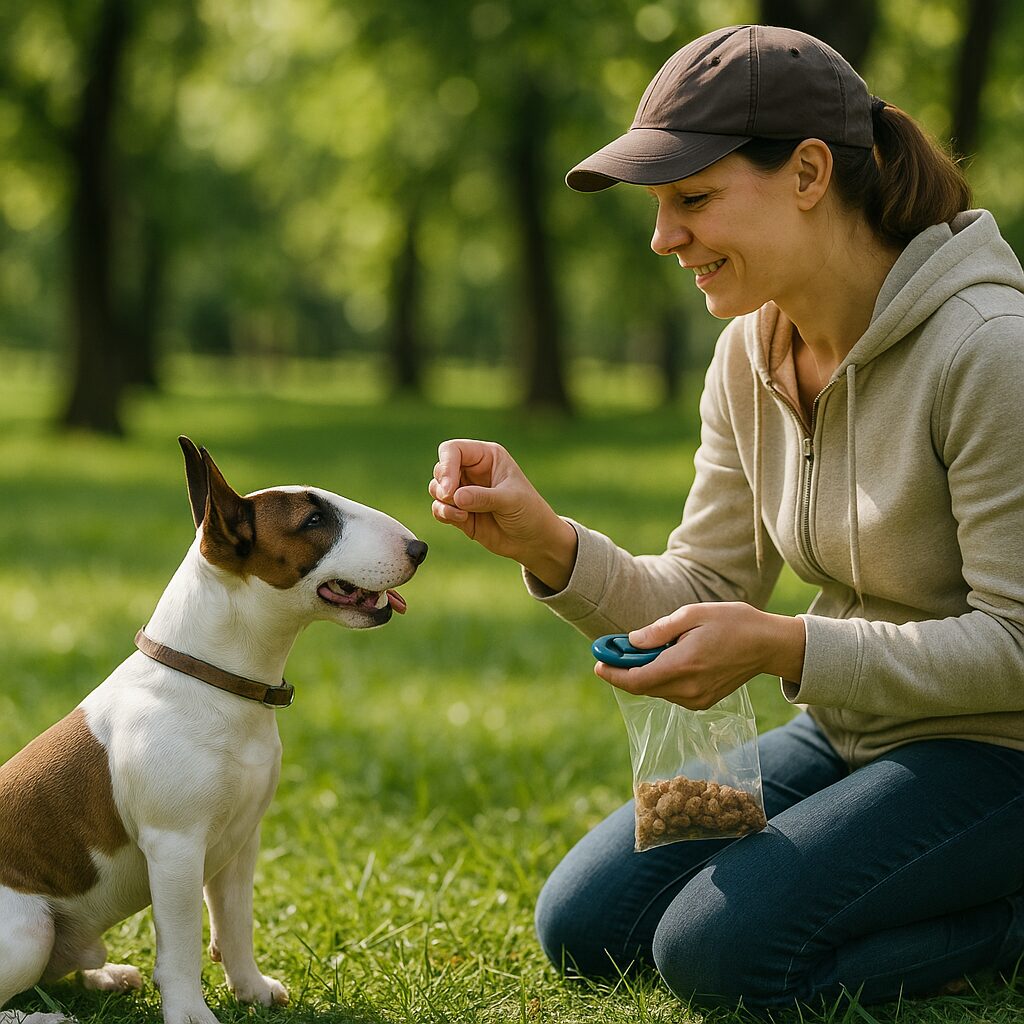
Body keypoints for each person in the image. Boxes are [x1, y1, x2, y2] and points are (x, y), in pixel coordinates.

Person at [428, 23, 1024, 1010]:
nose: (664, 239)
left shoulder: (988, 351)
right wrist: (547, 541)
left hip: (996, 757)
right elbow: (706, 587)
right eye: (660, 208)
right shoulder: (749, 349)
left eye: (692, 200)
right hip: (849, 731)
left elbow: (1015, 644)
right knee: (587, 925)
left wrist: (790, 647)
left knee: (720, 953)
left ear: (806, 172)